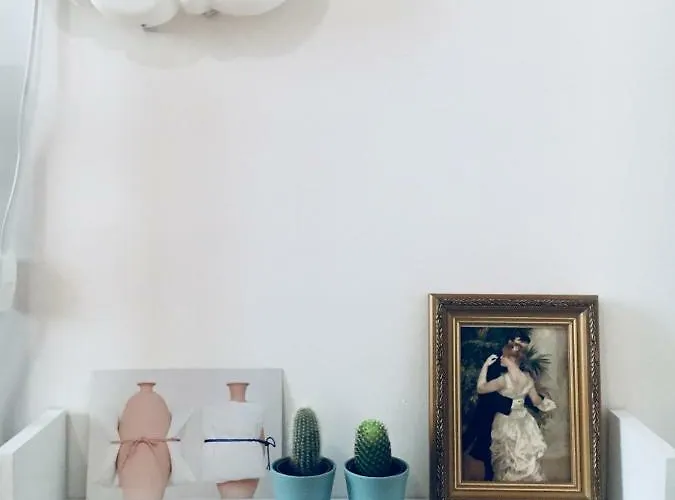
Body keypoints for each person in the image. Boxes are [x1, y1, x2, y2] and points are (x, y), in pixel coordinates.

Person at [461, 333, 540, 480]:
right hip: (493, 410)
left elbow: (521, 389)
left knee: (503, 453)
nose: (520, 349)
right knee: (489, 449)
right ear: (511, 341)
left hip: (507, 413)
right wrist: (512, 403)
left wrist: (524, 401)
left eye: (522, 347)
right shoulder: (498, 360)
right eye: (519, 345)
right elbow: (488, 394)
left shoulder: (517, 364)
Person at [476, 343, 557, 482]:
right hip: (524, 421)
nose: (500, 358)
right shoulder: (527, 378)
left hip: (506, 421)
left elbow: (480, 388)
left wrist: (485, 365)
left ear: (510, 360)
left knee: (507, 459)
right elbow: (536, 401)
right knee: (524, 457)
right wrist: (545, 403)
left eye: (503, 356)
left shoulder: (503, 380)